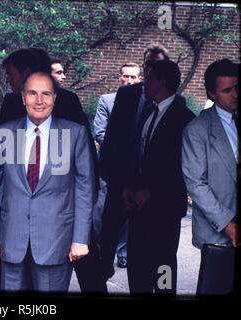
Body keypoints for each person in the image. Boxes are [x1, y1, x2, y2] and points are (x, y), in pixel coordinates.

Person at [0, 72, 95, 292]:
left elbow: (85, 189)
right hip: (11, 241)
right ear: (23, 97)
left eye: (46, 94)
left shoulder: (75, 134)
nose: (39, 100)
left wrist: (80, 239)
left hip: (56, 242)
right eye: (32, 93)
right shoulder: (5, 133)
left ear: (55, 98)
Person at [96, 44, 179, 291]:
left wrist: (151, 189)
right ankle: (103, 276)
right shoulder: (127, 96)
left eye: (157, 66)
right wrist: (115, 180)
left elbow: (174, 163)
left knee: (160, 258)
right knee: (109, 237)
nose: (150, 70)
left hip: (158, 199)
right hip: (122, 183)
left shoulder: (177, 110)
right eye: (148, 65)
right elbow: (113, 140)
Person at [121, 59, 195, 295]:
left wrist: (153, 190)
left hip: (165, 208)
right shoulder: (147, 112)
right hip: (138, 207)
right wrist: (128, 187)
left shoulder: (184, 118)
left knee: (163, 264)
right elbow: (136, 155)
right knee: (137, 264)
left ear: (162, 82)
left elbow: (183, 167)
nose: (145, 82)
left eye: (150, 77)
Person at [182, 58, 239, 295]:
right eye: (227, 90)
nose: (235, 95)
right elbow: (196, 184)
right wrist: (228, 224)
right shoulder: (196, 130)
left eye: (238, 87)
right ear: (211, 93)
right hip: (219, 229)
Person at [93, 62, 142, 269]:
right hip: (109, 167)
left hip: (133, 169)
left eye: (133, 77)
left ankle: (123, 252)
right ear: (119, 77)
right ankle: (100, 250)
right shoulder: (107, 100)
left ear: (139, 80)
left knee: (127, 214)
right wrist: (121, 151)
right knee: (100, 211)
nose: (129, 81)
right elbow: (99, 132)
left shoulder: (144, 103)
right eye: (126, 76)